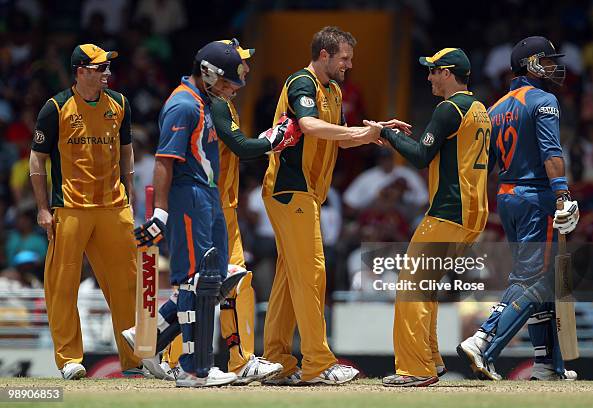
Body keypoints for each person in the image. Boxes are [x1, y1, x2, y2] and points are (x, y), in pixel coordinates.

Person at [128, 40, 297, 387]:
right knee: (196, 281)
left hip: (209, 195)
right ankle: (193, 369)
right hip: (189, 195)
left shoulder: (205, 102)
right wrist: (160, 211)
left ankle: (149, 333)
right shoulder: (183, 105)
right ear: (208, 73)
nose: (234, 88)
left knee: (216, 279)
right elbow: (164, 161)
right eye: (228, 81)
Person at [261, 26, 381, 385]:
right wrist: (359, 134)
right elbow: (309, 125)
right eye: (344, 58)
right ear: (324, 55)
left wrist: (378, 132)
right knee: (312, 273)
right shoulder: (303, 82)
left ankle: (278, 361)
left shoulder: (334, 89)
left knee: (289, 278)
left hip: (306, 193)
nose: (349, 64)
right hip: (291, 189)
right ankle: (317, 363)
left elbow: (340, 140)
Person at [456, 36, 580, 381]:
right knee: (533, 279)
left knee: (540, 279)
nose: (555, 67)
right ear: (532, 63)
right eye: (549, 60)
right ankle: (484, 340)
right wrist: (563, 195)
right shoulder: (544, 100)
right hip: (536, 195)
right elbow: (551, 153)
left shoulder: (495, 108)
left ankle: (546, 364)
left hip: (508, 196)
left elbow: (489, 163)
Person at [368, 48, 491, 387]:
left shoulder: (448, 108)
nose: (429, 77)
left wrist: (387, 133)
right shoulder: (480, 109)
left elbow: (421, 156)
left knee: (411, 290)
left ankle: (415, 369)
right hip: (473, 213)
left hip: (448, 212)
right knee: (427, 289)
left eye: (434, 71)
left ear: (449, 73)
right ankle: (431, 361)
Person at [29, 43, 141, 380]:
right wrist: (42, 209)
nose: (107, 73)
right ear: (81, 71)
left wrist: (130, 192)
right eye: (100, 68)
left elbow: (127, 151)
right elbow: (37, 158)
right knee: (63, 285)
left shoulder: (119, 104)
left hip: (113, 206)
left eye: (108, 67)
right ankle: (70, 361)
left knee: (127, 284)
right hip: (71, 208)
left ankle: (136, 360)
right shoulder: (56, 107)